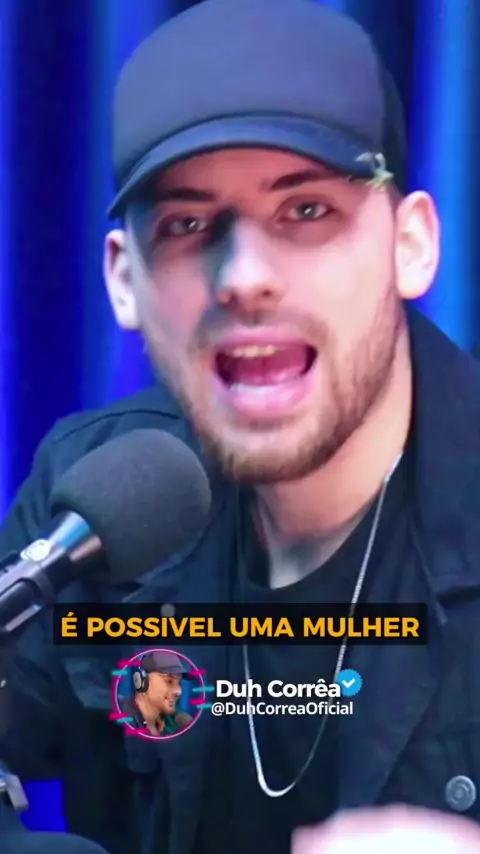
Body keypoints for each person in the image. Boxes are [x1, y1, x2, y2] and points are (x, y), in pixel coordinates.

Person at [1, 0, 480, 853]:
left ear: (410, 245)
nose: (245, 277)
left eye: (307, 212)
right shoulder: (87, 510)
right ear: (124, 281)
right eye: (188, 224)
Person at [119, 651, 194, 737]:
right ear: (142, 682)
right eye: (169, 681)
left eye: (179, 683)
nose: (178, 692)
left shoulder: (171, 721)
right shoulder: (122, 719)